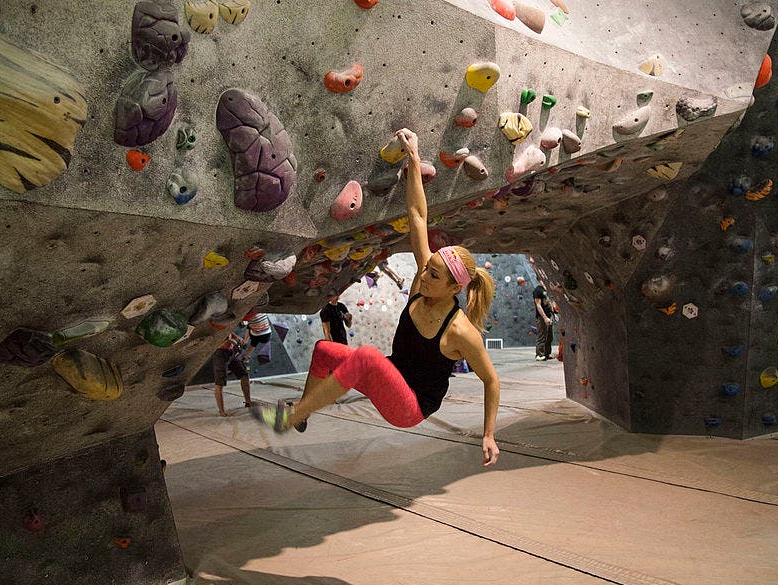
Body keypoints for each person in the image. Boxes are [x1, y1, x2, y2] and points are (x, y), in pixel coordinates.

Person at [254, 128, 501, 466]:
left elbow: (491, 380)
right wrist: (414, 158)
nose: (423, 275)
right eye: (427, 268)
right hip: (391, 378)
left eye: (433, 275)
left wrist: (488, 434)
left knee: (367, 357)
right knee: (324, 351)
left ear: (453, 289)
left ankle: (292, 416)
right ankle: (304, 414)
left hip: (411, 406)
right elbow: (418, 216)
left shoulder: (460, 331)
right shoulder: (422, 283)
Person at [212, 331, 252, 417]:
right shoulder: (214, 326)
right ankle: (221, 411)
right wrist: (232, 341)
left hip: (231, 352)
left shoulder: (227, 325)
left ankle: (248, 402)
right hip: (220, 354)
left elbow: (229, 331)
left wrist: (237, 337)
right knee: (220, 383)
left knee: (244, 375)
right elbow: (216, 339)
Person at [533, 282, 553, 361]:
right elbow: (538, 305)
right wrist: (544, 318)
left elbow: (548, 302)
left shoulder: (545, 290)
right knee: (542, 336)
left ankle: (547, 353)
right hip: (542, 317)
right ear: (539, 280)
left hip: (549, 315)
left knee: (549, 336)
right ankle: (539, 354)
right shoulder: (537, 290)